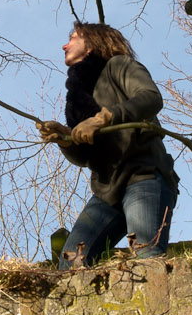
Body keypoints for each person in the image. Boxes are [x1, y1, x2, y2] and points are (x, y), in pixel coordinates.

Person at [36, 22, 179, 268]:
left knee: (145, 259)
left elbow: (150, 97)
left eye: (73, 38)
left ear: (92, 44)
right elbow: (85, 157)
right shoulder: (80, 94)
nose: (64, 45)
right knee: (70, 264)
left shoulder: (119, 66)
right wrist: (66, 140)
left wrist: (104, 118)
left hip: (143, 178)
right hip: (106, 192)